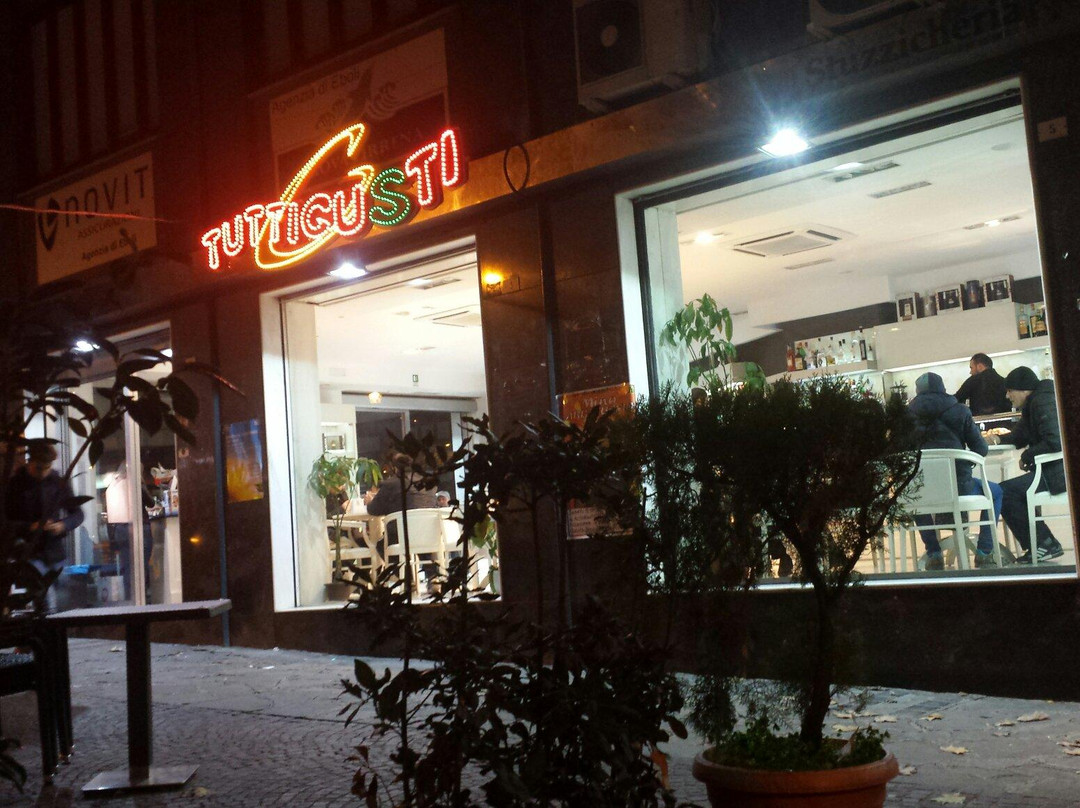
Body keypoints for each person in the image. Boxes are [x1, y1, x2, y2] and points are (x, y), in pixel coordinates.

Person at [908, 372, 1003, 570]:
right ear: (943, 389)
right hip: (961, 487)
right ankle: (984, 551)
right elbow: (980, 449)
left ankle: (933, 552)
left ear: (917, 391)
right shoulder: (960, 411)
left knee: (915, 497)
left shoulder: (905, 416)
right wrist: (965, 462)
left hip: (923, 489)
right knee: (996, 492)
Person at [986, 366, 1065, 563]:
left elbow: (1055, 441)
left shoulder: (1042, 402)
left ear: (1023, 389)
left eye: (1010, 390)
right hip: (1055, 470)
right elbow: (1020, 435)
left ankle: (1044, 544)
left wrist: (1028, 455)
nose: (1007, 396)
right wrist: (998, 439)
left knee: (1004, 492)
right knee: (1011, 490)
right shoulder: (1036, 402)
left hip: (1059, 473)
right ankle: (1042, 543)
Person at [6, 441, 85, 610]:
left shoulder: (57, 482)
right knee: (47, 603)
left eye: (47, 467)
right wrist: (30, 527)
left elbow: (78, 514)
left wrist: (62, 525)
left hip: (55, 553)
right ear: (30, 462)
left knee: (61, 603)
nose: (43, 472)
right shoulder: (15, 485)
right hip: (30, 553)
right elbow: (6, 523)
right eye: (39, 468)